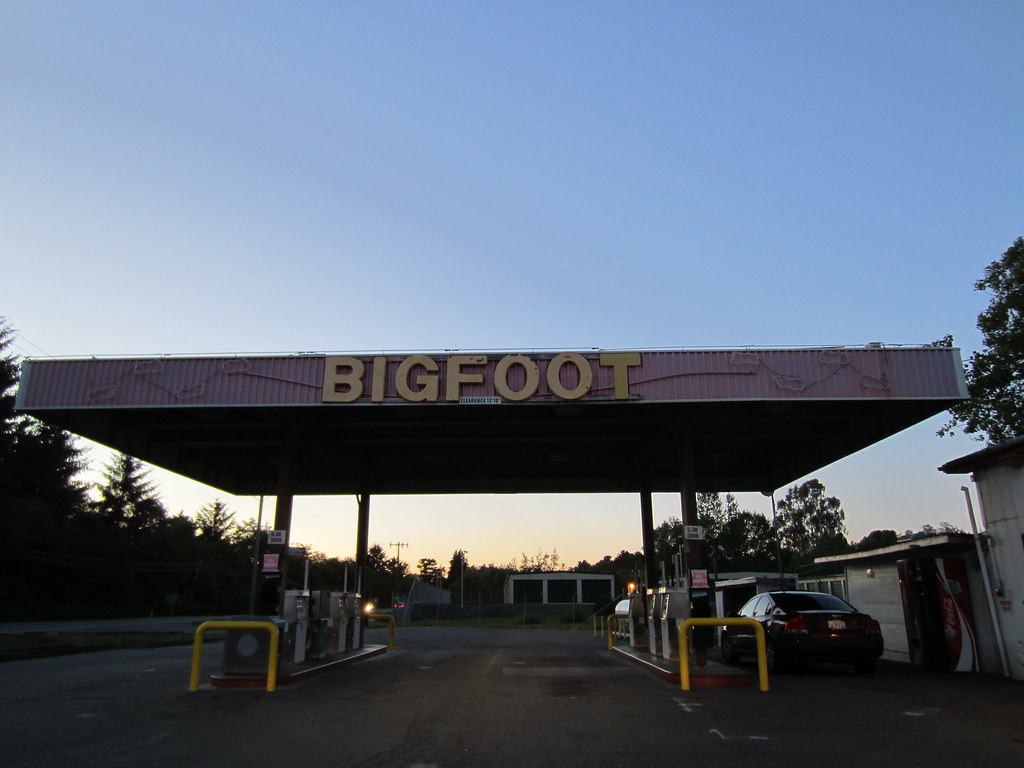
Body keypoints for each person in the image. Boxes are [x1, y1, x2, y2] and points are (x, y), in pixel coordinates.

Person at [690, 596, 712, 667]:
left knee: (698, 648)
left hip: (698, 628)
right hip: (706, 627)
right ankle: (704, 663)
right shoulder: (707, 606)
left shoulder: (695, 607)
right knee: (703, 648)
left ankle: (699, 663)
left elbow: (692, 615)